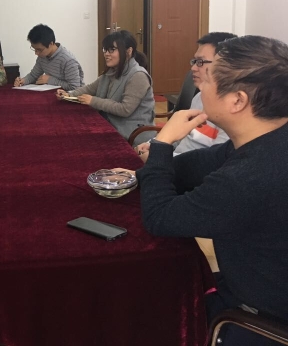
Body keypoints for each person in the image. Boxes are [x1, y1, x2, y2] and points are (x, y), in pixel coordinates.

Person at [137, 36, 288, 345]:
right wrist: (144, 173)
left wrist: (163, 143)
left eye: (209, 78)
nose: (200, 85)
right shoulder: (267, 139)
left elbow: (159, 217)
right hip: (262, 285)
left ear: (237, 101)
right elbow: (195, 166)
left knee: (144, 304)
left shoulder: (249, 177)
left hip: (258, 317)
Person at [134, 32, 237, 162]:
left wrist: (159, 158)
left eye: (200, 62)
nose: (193, 68)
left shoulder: (231, 113)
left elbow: (212, 164)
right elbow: (183, 138)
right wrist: (153, 145)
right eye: (194, 61)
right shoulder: (199, 97)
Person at [56, 30, 154, 140]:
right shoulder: (112, 71)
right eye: (105, 49)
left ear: (128, 51)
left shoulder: (138, 75)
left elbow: (125, 109)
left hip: (132, 133)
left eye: (112, 50)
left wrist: (93, 101)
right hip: (110, 124)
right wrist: (68, 94)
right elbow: (91, 88)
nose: (106, 54)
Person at [13, 24, 84, 90]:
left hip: (73, 96)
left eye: (39, 50)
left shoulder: (68, 60)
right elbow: (33, 75)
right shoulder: (42, 56)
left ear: (50, 44)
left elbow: (74, 87)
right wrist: (23, 80)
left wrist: (49, 80)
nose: (36, 53)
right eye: (34, 49)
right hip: (55, 93)